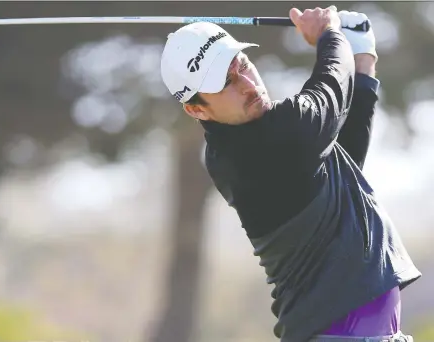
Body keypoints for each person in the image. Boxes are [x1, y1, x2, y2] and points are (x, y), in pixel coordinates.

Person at [160, 5, 422, 342]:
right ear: (196, 109)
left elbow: (346, 168)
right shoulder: (264, 146)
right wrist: (330, 33)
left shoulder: (265, 138)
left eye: (243, 66)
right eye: (225, 82)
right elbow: (331, 87)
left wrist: (363, 66)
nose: (247, 85)